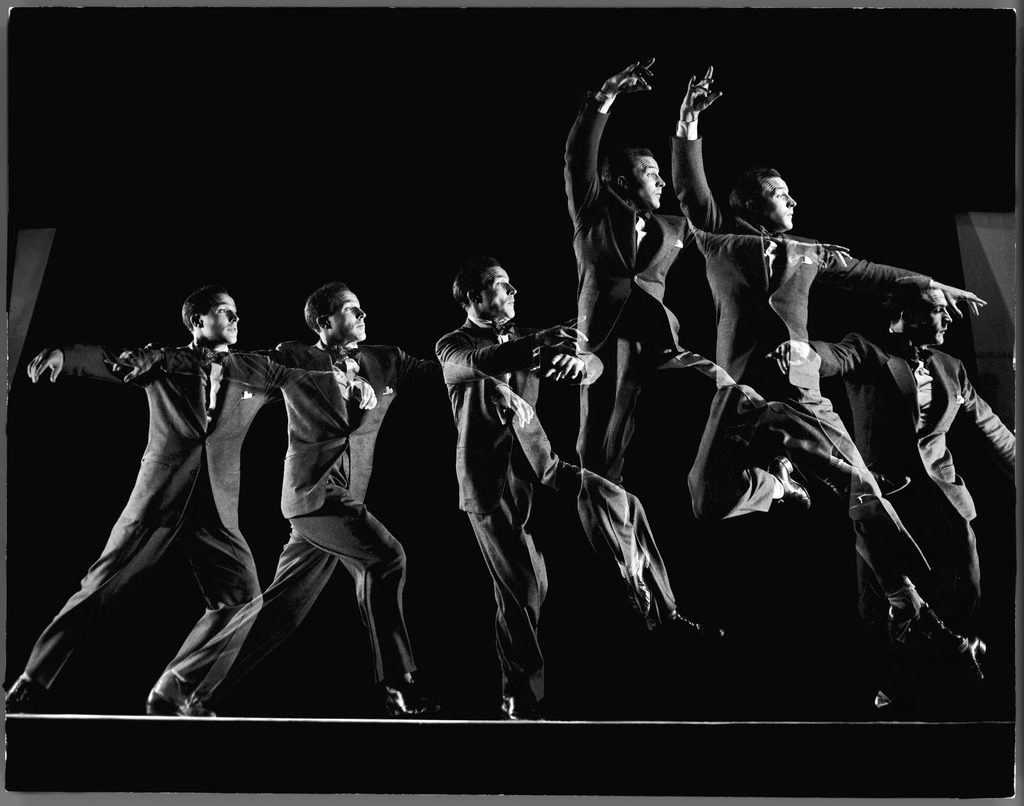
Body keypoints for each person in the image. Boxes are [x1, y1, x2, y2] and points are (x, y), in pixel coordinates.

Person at [670, 66, 988, 675]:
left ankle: (911, 611)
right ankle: (779, 485)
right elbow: (689, 188)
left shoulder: (810, 254)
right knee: (705, 501)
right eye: (780, 192)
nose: (793, 200)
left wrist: (934, 283)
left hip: (801, 397)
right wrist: (687, 122)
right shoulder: (718, 241)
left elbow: (871, 273)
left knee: (862, 488)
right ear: (748, 203)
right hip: (738, 395)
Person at [435, 255, 721, 721]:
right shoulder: (453, 345)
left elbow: (591, 367)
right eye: (502, 287)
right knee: (525, 591)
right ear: (474, 297)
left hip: (543, 466)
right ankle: (520, 697)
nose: (511, 294)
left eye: (511, 287)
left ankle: (665, 613)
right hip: (490, 485)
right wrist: (530, 350)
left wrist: (581, 364)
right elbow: (475, 363)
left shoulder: (529, 339)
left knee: (622, 500)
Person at [145, 282, 444, 717]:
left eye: (362, 309)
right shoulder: (296, 357)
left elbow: (447, 374)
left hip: (346, 498)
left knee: (279, 612)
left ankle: (185, 689)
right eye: (351, 310)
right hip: (313, 497)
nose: (362, 316)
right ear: (325, 322)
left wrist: (516, 362)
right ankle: (399, 683)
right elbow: (240, 364)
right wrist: (171, 358)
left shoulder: (387, 360)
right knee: (386, 557)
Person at [5, 285, 307, 715]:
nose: (237, 320)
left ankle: (178, 689)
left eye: (237, 313)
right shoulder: (164, 359)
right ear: (197, 322)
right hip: (159, 498)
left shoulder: (254, 369)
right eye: (225, 312)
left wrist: (347, 377)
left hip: (215, 507)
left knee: (243, 601)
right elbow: (112, 359)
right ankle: (32, 679)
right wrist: (65, 357)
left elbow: (305, 379)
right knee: (99, 588)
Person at [773, 291, 1014, 707]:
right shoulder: (868, 352)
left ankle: (926, 679)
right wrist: (801, 352)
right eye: (937, 311)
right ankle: (899, 685)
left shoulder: (950, 368)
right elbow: (831, 357)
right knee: (879, 607)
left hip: (943, 497)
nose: (947, 319)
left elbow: (991, 428)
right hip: (884, 498)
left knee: (964, 591)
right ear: (904, 316)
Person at [564, 59, 731, 488]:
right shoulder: (593, 214)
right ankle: (610, 521)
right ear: (620, 181)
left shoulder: (673, 227)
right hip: (600, 342)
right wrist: (606, 95)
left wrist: (688, 123)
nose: (661, 183)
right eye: (650, 173)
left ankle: (771, 472)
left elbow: (705, 214)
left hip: (658, 344)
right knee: (598, 452)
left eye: (661, 174)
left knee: (731, 390)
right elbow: (578, 157)